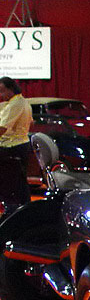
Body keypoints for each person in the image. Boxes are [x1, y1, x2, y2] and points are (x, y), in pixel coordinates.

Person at [0, 77, 33, 207]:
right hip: (21, 145)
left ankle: (12, 210)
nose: (1, 95)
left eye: (2, 91)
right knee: (20, 182)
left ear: (11, 89)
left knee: (10, 183)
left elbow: (2, 128)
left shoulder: (15, 104)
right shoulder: (23, 102)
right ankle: (25, 209)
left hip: (12, 147)